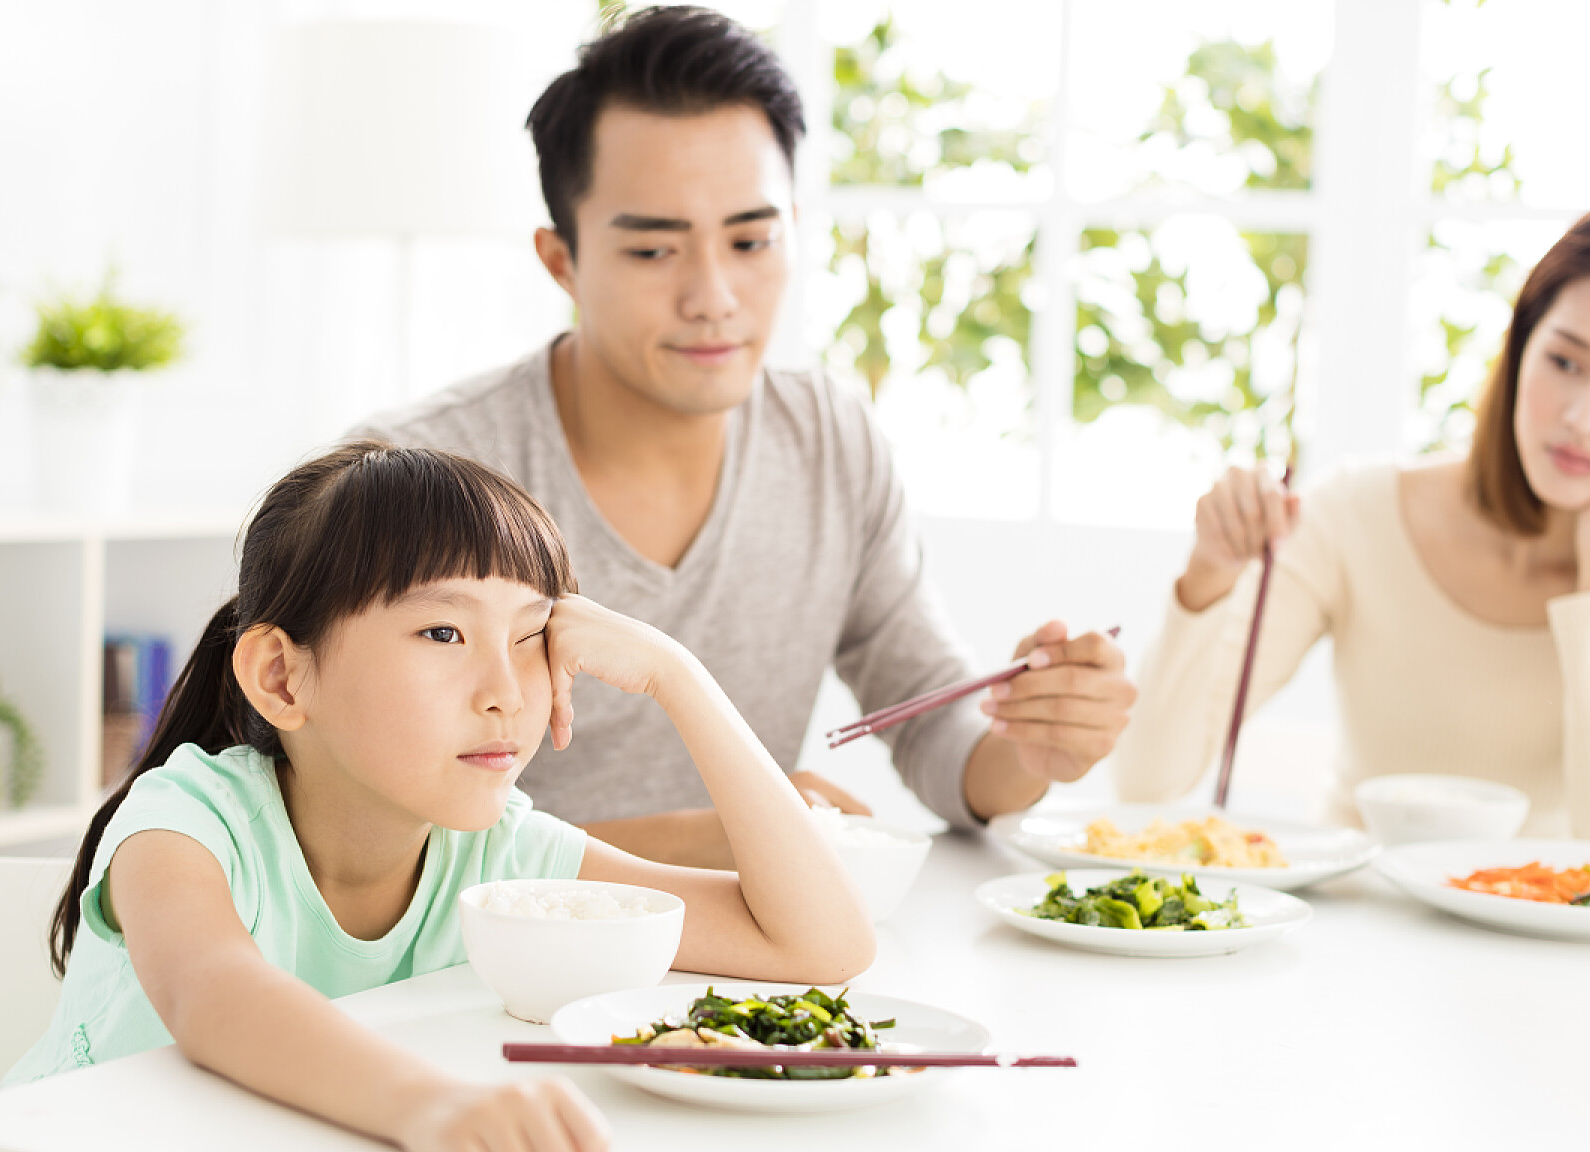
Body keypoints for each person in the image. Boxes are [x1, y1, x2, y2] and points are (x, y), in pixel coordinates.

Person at [355, 6, 1133, 864]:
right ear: (562, 262)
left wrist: (1032, 748)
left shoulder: (830, 443)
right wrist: (702, 837)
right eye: (654, 252)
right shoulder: (406, 481)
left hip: (758, 970)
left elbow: (933, 727)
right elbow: (345, 830)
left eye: (751, 240)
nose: (714, 295)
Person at [7, 441, 875, 1152]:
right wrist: (432, 1106)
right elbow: (214, 997)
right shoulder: (188, 819)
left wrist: (678, 676)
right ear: (280, 677)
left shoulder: (494, 852)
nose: (504, 690)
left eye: (534, 637)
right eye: (442, 634)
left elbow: (817, 948)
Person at [1117, 193, 1590, 846]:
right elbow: (1148, 781)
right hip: (1352, 936)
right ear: (1520, 347)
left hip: (1560, 956)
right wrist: (1209, 575)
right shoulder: (1358, 514)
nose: (1583, 418)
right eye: (1564, 361)